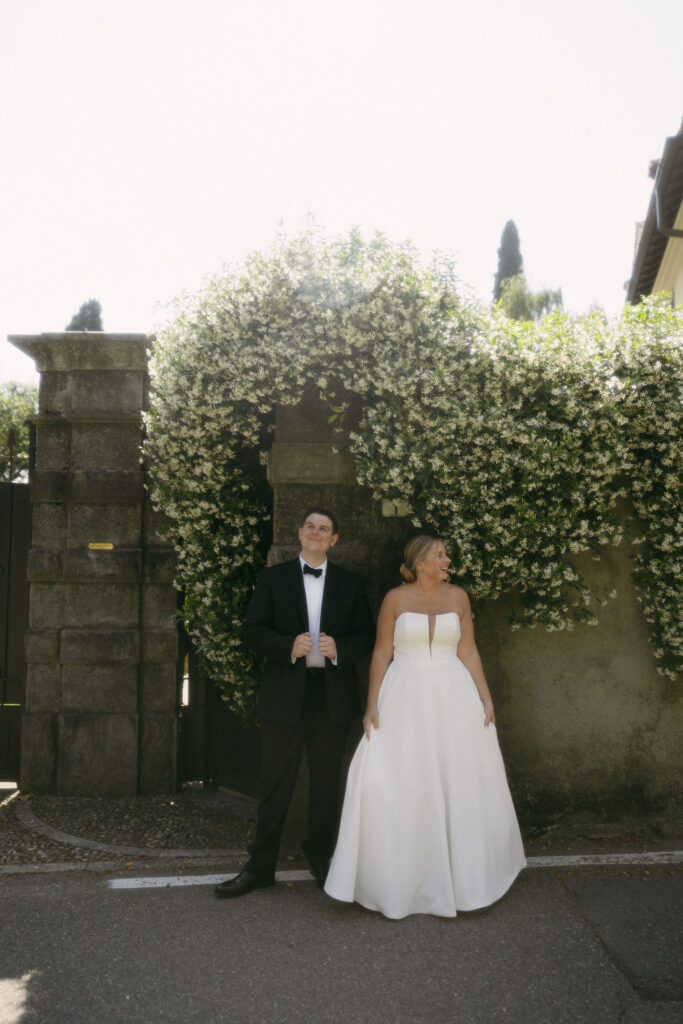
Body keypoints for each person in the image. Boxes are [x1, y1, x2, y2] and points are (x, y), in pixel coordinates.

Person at [324, 534, 526, 919]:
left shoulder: (459, 597)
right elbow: (383, 652)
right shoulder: (395, 599)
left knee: (459, 776)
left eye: (446, 554)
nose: (447, 559)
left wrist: (485, 697)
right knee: (397, 778)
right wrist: (371, 705)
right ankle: (398, 877)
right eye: (440, 554)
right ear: (419, 563)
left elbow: (467, 649)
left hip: (453, 693)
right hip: (404, 695)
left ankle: (467, 877)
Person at [215, 508, 375, 898]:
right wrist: (287, 646)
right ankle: (260, 866)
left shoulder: (352, 584)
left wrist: (342, 649)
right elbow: (252, 630)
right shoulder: (273, 578)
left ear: (334, 540)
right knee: (275, 784)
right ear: (299, 533)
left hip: (331, 700)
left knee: (325, 785)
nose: (317, 532)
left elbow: (367, 635)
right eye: (311, 527)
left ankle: (321, 859)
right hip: (284, 698)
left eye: (325, 528)